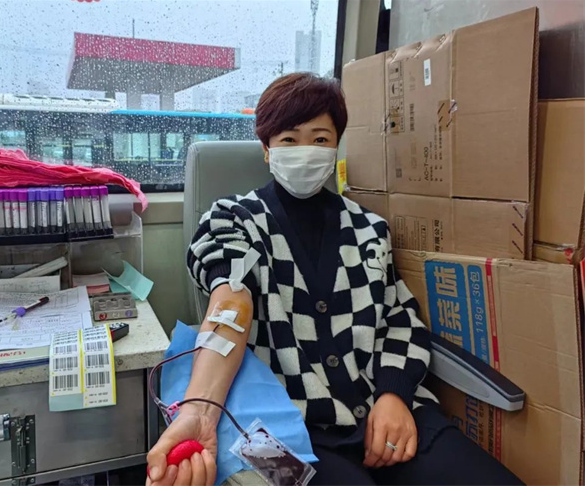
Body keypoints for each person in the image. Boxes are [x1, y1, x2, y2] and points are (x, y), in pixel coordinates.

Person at [146, 73, 524, 486]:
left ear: (336, 146)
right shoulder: (231, 220)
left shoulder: (370, 230)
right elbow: (231, 304)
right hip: (274, 432)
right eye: (289, 139)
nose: (304, 150)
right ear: (267, 149)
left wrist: (394, 394)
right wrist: (198, 411)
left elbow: (399, 319)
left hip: (380, 409)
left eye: (320, 138)